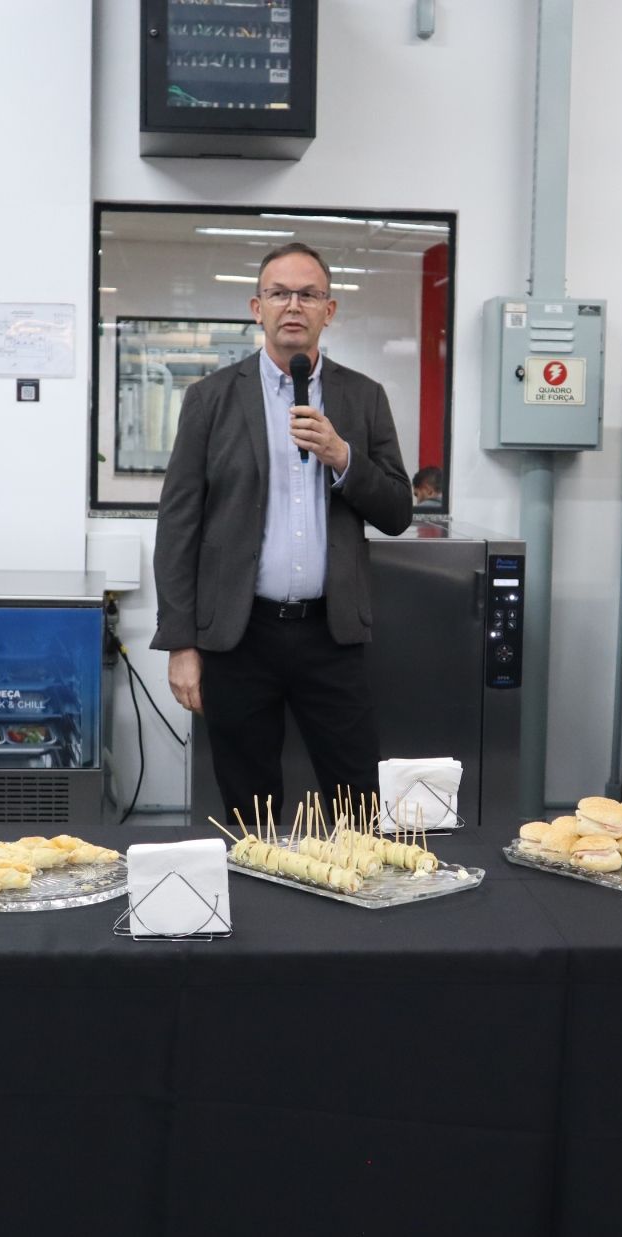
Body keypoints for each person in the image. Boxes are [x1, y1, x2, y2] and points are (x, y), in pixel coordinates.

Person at [153, 241, 413, 822]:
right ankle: (262, 909)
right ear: (257, 307)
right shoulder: (210, 399)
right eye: (279, 293)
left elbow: (397, 510)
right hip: (238, 638)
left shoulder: (363, 397)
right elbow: (178, 527)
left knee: (359, 805)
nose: (293, 305)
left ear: (330, 309)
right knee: (249, 809)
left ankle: (357, 904)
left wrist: (344, 456)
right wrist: (181, 643)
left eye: (308, 294)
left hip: (331, 634)